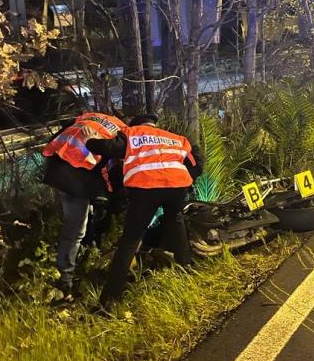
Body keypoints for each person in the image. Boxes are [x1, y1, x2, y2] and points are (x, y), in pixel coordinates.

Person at [85, 113, 203, 308]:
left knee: (130, 241)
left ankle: (110, 301)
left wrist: (90, 141)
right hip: (176, 187)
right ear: (155, 124)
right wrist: (185, 179)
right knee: (176, 221)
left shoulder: (131, 133)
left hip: (146, 188)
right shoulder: (175, 138)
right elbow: (196, 163)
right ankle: (187, 271)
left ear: (137, 124)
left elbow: (111, 148)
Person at [42, 112, 127, 299]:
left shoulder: (93, 117)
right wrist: (115, 198)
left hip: (57, 166)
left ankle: (78, 259)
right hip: (75, 177)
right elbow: (110, 170)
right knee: (75, 230)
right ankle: (65, 281)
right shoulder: (122, 132)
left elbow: (58, 135)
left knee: (84, 217)